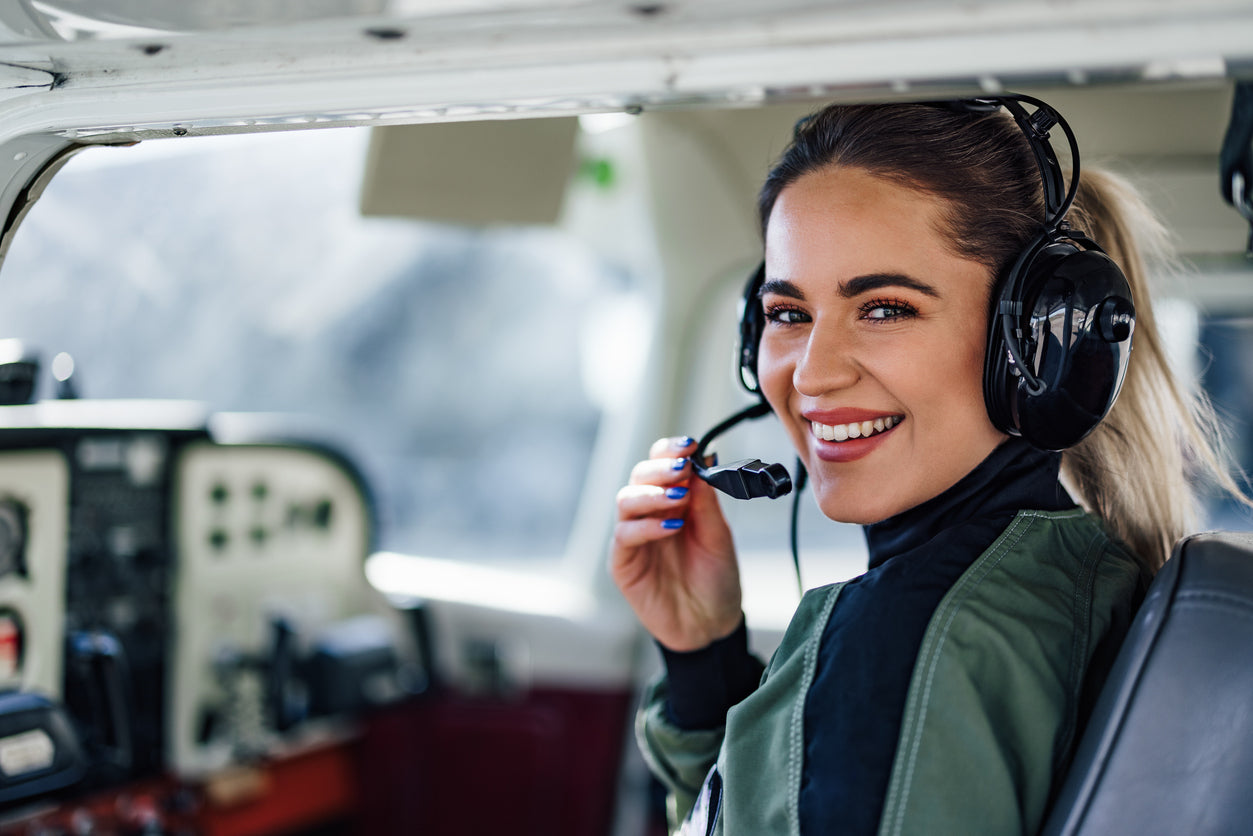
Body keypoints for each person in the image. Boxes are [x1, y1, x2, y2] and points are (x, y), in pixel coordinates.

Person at [611, 98, 1248, 835]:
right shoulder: (1061, 576)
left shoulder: (910, 638)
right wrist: (703, 659)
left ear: (1032, 345)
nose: (811, 375)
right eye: (788, 313)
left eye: (884, 308)